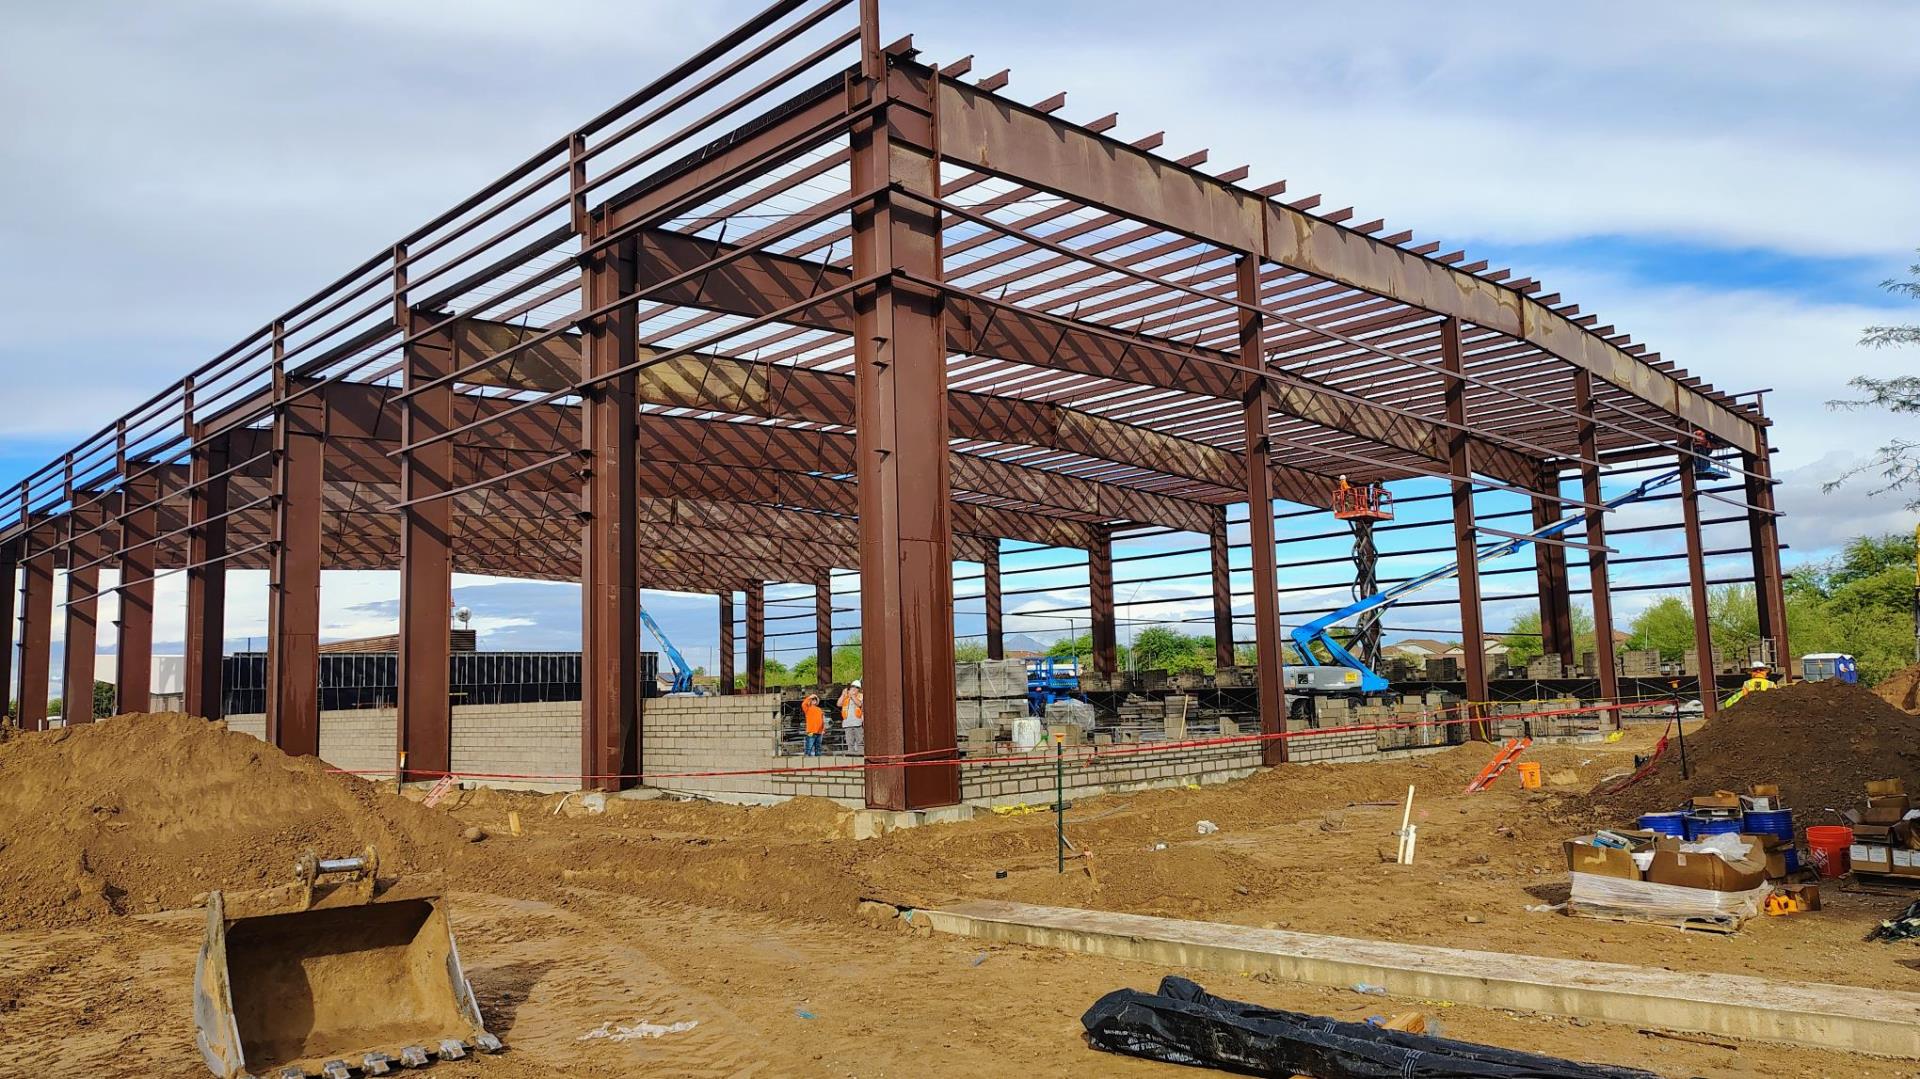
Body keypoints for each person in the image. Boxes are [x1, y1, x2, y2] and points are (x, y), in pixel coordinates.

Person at [838, 679, 864, 755]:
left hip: (857, 722)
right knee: (849, 741)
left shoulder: (860, 696)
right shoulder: (846, 697)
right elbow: (839, 704)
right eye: (852, 687)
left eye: (856, 688)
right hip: (847, 723)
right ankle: (851, 754)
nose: (853, 689)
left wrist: (852, 696)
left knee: (860, 740)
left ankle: (861, 753)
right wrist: (843, 695)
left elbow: (859, 704)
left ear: (858, 689)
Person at [801, 693, 825, 757]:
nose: (814, 700)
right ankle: (807, 760)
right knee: (809, 747)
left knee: (818, 748)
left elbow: (822, 720)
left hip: (819, 732)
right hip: (811, 732)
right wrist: (809, 697)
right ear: (810, 701)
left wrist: (823, 729)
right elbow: (803, 704)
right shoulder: (807, 708)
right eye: (812, 699)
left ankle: (818, 760)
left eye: (815, 699)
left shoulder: (819, 710)